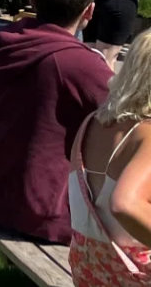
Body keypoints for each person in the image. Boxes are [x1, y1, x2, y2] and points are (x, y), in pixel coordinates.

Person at [0, 0, 112, 245]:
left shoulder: (0, 42)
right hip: (41, 212)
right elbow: (127, 116)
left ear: (32, 1)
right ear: (89, 12)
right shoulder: (78, 63)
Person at [70, 30, 151, 281]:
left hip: (89, 267)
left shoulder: (91, 123)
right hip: (133, 273)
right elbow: (124, 203)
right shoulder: (147, 135)